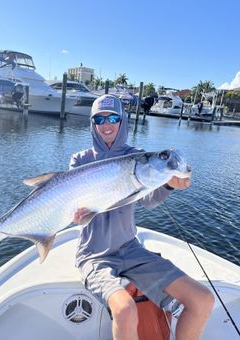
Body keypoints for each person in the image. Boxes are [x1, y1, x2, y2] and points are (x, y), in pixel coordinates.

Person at [69, 94, 214, 340]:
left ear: (122, 120)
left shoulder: (137, 156)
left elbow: (148, 200)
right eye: (99, 119)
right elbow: (75, 210)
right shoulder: (81, 160)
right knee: (125, 310)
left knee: (203, 300)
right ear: (92, 124)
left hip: (130, 250)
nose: (107, 124)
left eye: (113, 117)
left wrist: (169, 185)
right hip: (94, 255)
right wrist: (77, 215)